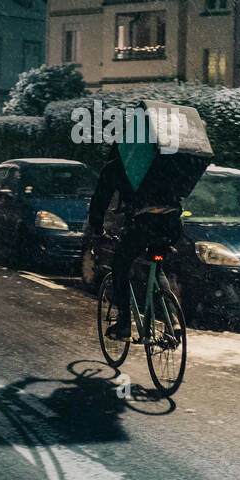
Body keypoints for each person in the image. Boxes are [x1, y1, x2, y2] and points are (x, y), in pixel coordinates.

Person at [87, 144, 186, 341]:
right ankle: (172, 320)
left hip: (144, 224)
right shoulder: (163, 157)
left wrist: (97, 230)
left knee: (120, 265)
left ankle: (124, 324)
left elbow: (99, 201)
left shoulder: (117, 165)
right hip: (173, 224)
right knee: (156, 264)